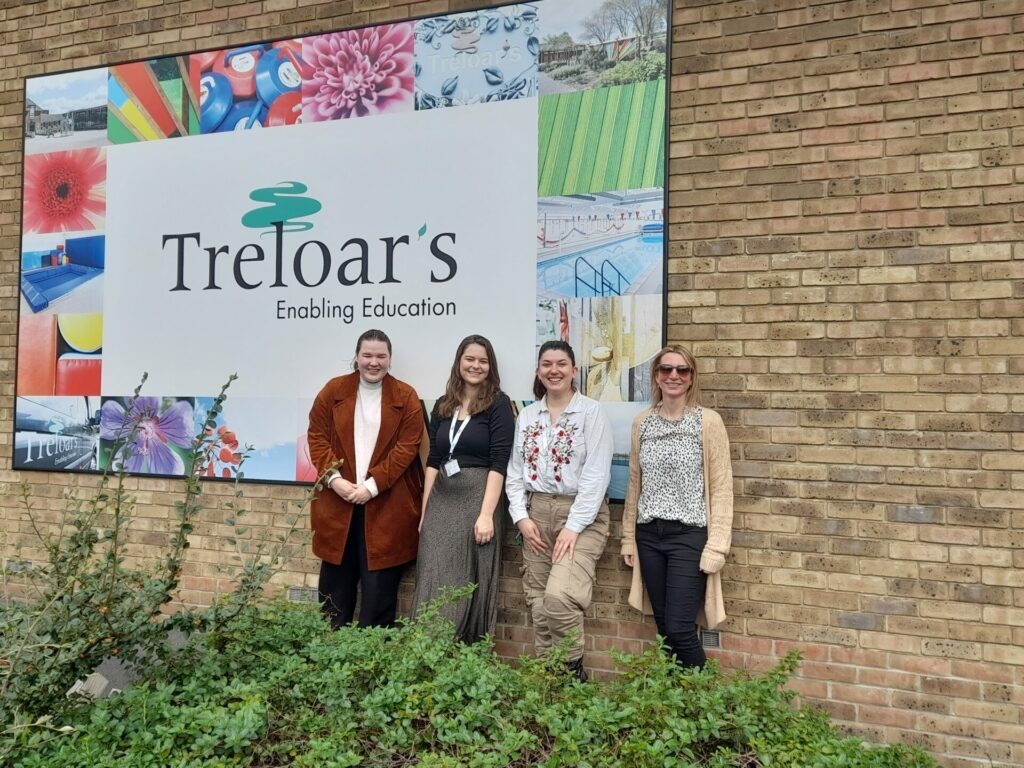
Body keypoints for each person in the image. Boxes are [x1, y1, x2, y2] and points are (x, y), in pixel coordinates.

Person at [620, 345, 734, 668]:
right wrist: (629, 537)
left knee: (681, 629)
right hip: (649, 536)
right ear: (656, 376)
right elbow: (633, 484)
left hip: (689, 536)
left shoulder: (708, 422)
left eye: (681, 370)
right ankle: (674, 706)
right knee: (663, 628)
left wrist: (718, 547)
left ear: (691, 378)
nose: (673, 375)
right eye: (666, 369)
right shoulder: (642, 423)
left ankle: (705, 704)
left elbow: (722, 488)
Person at [506, 340, 613, 681]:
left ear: (574, 371)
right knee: (537, 600)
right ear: (539, 372)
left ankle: (571, 674)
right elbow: (514, 472)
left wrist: (574, 526)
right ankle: (547, 679)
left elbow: (597, 474)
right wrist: (521, 518)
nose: (554, 370)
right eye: (547, 364)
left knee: (559, 597)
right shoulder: (527, 415)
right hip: (536, 513)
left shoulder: (591, 413)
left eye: (562, 364)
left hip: (579, 515)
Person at [307, 329, 424, 629]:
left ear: (390, 359)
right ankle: (330, 659)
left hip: (387, 507)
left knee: (379, 596)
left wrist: (371, 487)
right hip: (338, 504)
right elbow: (317, 438)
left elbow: (407, 449)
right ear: (356, 357)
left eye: (381, 356)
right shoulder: (332, 391)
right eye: (368, 355)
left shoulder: (406, 397)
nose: (374, 362)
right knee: (334, 595)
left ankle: (372, 664)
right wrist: (334, 479)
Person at [411, 334, 514, 642]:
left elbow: (500, 463)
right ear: (458, 363)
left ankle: (463, 652)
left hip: (478, 498)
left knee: (468, 576)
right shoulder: (444, 405)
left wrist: (486, 514)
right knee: (433, 572)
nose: (475, 366)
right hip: (441, 498)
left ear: (491, 366)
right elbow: (433, 459)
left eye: (483, 360)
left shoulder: (499, 404)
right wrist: (424, 510)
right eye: (469, 359)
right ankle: (426, 647)